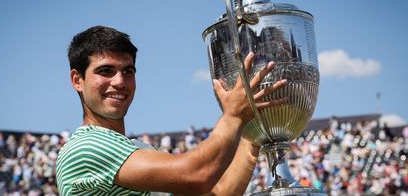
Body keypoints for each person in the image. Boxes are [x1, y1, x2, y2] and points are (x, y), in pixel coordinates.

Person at [55, 25, 288, 195]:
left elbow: (218, 192)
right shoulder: (84, 148)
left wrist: (254, 133)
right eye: (105, 71)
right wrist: (234, 115)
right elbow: (196, 175)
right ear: (77, 80)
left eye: (128, 71)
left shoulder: (137, 150)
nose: (119, 81)